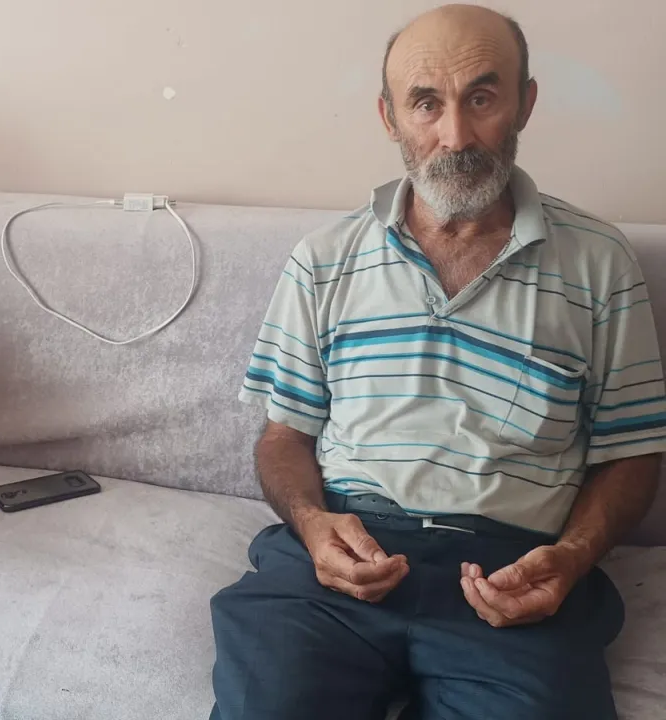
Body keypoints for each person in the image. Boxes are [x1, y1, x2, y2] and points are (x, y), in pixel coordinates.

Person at [211, 5, 664, 719]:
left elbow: (632, 452)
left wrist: (573, 557)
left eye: (482, 98)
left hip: (512, 571)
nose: (455, 136)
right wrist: (311, 523)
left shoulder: (600, 264)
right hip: (343, 561)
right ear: (389, 117)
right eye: (426, 103)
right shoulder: (322, 261)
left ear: (525, 104)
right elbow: (283, 438)